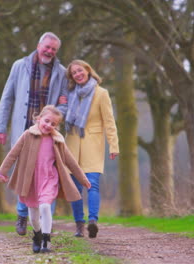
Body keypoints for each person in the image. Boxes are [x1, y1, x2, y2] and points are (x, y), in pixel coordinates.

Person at [0, 32, 68, 236]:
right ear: (38, 45)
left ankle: (46, 223)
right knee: (24, 172)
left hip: (48, 133)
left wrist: (62, 112)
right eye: (47, 47)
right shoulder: (20, 66)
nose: (50, 51)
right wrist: (0, 127)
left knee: (48, 174)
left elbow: (64, 103)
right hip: (24, 130)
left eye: (54, 49)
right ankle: (22, 215)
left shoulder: (61, 72)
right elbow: (7, 97)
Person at [0, 105, 91, 253]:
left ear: (57, 126)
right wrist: (3, 171)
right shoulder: (28, 135)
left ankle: (46, 241)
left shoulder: (57, 140)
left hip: (49, 178)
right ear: (39, 119)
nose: (48, 125)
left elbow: (70, 160)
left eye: (53, 124)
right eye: (46, 121)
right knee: (34, 217)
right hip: (31, 181)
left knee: (45, 207)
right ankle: (37, 234)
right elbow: (13, 153)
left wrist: (83, 178)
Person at [64, 60, 119, 238]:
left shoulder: (101, 93)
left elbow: (109, 122)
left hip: (93, 144)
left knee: (92, 184)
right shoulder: (69, 94)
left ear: (88, 70)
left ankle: (92, 221)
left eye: (80, 70)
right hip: (71, 145)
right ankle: (79, 225)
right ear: (71, 77)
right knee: (74, 188)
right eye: (74, 73)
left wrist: (113, 145)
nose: (78, 74)